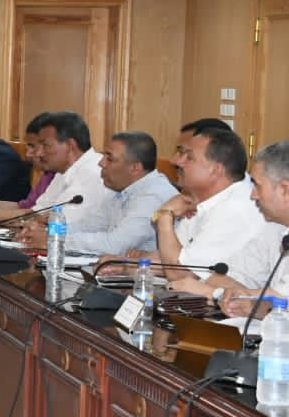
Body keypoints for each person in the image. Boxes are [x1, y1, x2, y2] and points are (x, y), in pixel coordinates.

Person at [143, 126, 283, 294]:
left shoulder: (238, 208)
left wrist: (164, 217)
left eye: (189, 157)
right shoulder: (197, 199)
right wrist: (129, 264)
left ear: (216, 170)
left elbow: (179, 273)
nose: (177, 162)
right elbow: (177, 261)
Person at [15, 131, 175, 255]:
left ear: (135, 168)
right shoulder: (121, 189)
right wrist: (48, 231)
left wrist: (53, 240)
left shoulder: (153, 196)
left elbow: (115, 245)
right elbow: (91, 225)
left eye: (109, 158)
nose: (101, 163)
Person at [0, 111, 108, 225]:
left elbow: (54, 224)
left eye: (46, 145)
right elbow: (36, 212)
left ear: (69, 145)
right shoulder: (63, 172)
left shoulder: (92, 173)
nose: (39, 153)